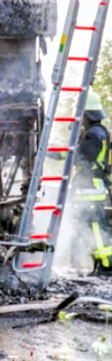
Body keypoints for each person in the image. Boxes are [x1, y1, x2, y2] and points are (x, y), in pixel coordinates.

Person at [71, 91, 112, 272]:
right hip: (93, 187)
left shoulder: (92, 135)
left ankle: (105, 264)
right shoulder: (98, 132)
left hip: (90, 189)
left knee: (95, 227)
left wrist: (50, 152)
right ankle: (101, 263)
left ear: (86, 114)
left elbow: (80, 157)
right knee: (93, 226)